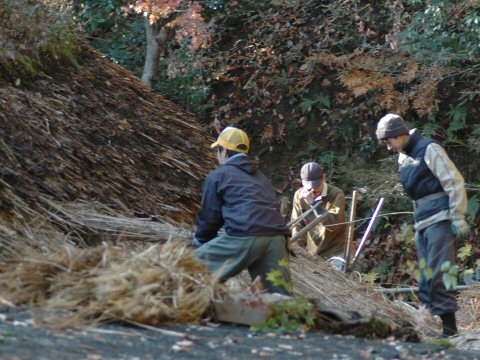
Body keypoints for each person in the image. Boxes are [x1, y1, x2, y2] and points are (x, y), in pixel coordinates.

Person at [375, 113, 469, 337]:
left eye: (389, 142)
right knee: (426, 277)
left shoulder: (429, 149)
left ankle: (450, 330)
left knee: (438, 273)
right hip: (423, 222)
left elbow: (454, 181)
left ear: (399, 135)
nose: (388, 148)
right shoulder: (403, 157)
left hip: (441, 218)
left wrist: (457, 216)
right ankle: (423, 326)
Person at [193, 126, 292, 294]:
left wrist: (201, 242)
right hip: (277, 239)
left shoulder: (218, 176)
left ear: (223, 151)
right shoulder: (261, 178)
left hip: (246, 234)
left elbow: (210, 217)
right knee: (280, 300)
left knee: (187, 270)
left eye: (218, 151)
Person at [290, 162, 347, 270]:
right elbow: (297, 225)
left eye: (316, 186)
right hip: (314, 254)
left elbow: (334, 224)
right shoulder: (299, 195)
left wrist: (314, 205)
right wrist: (297, 250)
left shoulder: (336, 194)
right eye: (308, 187)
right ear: (302, 182)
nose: (312, 190)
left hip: (335, 252)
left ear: (324, 178)